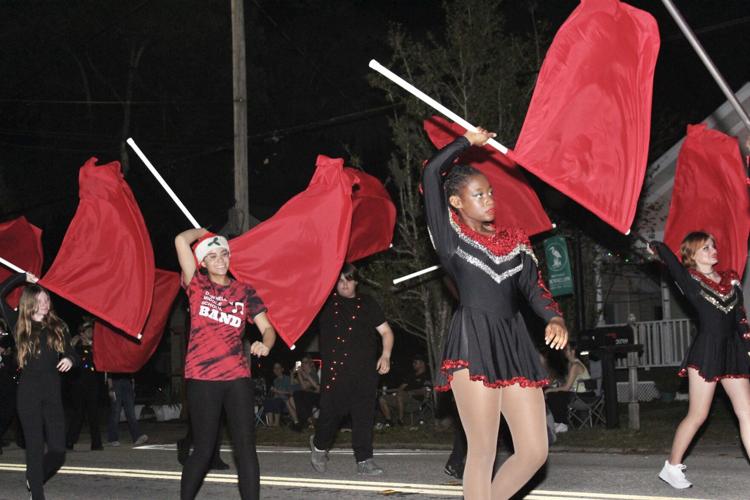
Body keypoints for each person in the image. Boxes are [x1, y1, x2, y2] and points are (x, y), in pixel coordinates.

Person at [422, 129, 567, 499]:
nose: (489, 199)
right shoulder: (450, 238)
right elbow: (429, 174)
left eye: (490, 192)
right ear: (455, 201)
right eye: (479, 194)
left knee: (535, 451)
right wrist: (465, 143)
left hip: (514, 340)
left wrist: (554, 317)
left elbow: (535, 288)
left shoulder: (515, 239)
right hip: (473, 340)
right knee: (483, 451)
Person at [175, 228, 276, 500]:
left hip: (236, 378)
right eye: (212, 256)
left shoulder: (244, 291)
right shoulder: (195, 284)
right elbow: (180, 241)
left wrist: (266, 343)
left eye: (224, 254)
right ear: (203, 263)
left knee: (246, 448)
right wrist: (204, 232)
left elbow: (268, 328)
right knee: (205, 449)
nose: (220, 260)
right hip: (202, 378)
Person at [649, 234, 750, 489]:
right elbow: (672, 265)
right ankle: (671, 466)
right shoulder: (691, 280)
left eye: (713, 245)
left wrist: (748, 346)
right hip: (707, 351)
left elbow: (740, 319)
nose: (713, 250)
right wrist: (657, 245)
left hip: (733, 350)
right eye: (706, 247)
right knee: (698, 414)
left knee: (747, 412)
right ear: (692, 255)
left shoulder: (732, 280)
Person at [309, 263, 395, 475]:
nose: (344, 284)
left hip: (365, 373)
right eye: (339, 280)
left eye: (348, 279)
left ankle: (364, 460)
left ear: (356, 281)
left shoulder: (368, 303)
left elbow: (386, 332)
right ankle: (319, 447)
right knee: (329, 417)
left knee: (363, 417)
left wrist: (386, 355)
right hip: (335, 374)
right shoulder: (325, 303)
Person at [14, 282, 78, 500]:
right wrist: (22, 277)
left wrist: (70, 358)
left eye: (47, 300)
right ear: (29, 303)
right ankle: (37, 494)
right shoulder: (20, 325)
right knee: (34, 447)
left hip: (52, 392)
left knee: (58, 451)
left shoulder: (58, 326)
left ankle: (34, 477)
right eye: (39, 301)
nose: (44, 304)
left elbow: (72, 352)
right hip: (28, 392)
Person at [65, 316, 103, 450]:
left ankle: (96, 443)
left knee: (93, 413)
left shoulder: (96, 345)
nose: (91, 332)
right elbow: (68, 355)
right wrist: (74, 343)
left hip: (92, 382)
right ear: (82, 331)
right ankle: (69, 441)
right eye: (88, 330)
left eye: (92, 330)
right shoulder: (76, 343)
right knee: (78, 413)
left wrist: (92, 345)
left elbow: (100, 358)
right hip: (78, 382)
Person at [544, 342, 591, 432]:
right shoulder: (571, 364)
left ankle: (561, 423)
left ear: (572, 352)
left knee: (556, 395)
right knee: (555, 394)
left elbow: (567, 387)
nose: (565, 352)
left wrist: (551, 389)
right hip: (575, 393)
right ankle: (557, 422)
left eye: (566, 350)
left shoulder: (575, 366)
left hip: (583, 396)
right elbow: (567, 384)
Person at [378, 353, 432, 426]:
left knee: (400, 395)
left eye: (415, 362)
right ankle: (389, 421)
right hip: (402, 399)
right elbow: (400, 389)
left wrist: (410, 393)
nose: (413, 364)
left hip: (415, 402)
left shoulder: (427, 376)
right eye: (413, 362)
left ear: (422, 363)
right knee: (382, 398)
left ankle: (400, 420)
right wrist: (384, 391)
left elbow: (426, 391)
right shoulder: (411, 376)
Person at [106, 372, 148, 447]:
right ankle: (112, 439)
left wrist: (132, 386)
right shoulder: (112, 360)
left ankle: (137, 437)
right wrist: (110, 388)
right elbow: (108, 371)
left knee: (131, 411)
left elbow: (131, 369)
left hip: (127, 382)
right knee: (116, 411)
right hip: (115, 382)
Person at [291, 355, 320, 431]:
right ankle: (304, 420)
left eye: (305, 362)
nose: (303, 364)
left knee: (297, 395)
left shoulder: (313, 373)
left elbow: (304, 387)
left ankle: (305, 421)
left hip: (315, 396)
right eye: (302, 362)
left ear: (310, 363)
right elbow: (292, 383)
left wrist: (299, 373)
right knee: (292, 398)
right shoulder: (303, 374)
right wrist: (293, 373)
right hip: (306, 396)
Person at [264, 361, 297, 427]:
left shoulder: (287, 378)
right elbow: (276, 393)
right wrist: (274, 393)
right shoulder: (275, 380)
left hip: (287, 401)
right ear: (273, 370)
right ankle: (270, 423)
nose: (276, 370)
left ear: (282, 369)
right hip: (279, 398)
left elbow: (290, 392)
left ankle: (276, 423)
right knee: (268, 400)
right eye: (275, 368)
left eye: (278, 368)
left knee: (276, 401)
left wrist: (278, 392)